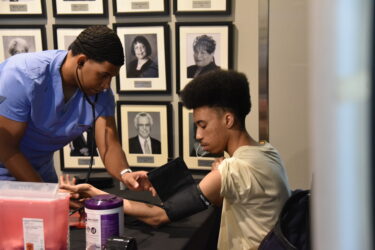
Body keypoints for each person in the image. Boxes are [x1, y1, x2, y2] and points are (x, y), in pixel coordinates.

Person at [60, 70, 291, 250]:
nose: (198, 136)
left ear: (228, 120)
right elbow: (224, 198)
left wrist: (95, 194)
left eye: (202, 125)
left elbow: (157, 217)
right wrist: (157, 182)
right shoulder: (266, 152)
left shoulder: (237, 168)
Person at [0, 26, 153, 193]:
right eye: (103, 75)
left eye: (111, 77)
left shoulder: (100, 93)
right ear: (81, 61)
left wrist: (126, 174)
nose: (106, 85)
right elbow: (6, 147)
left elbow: (109, 145)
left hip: (40, 172)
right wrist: (48, 195)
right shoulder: (20, 75)